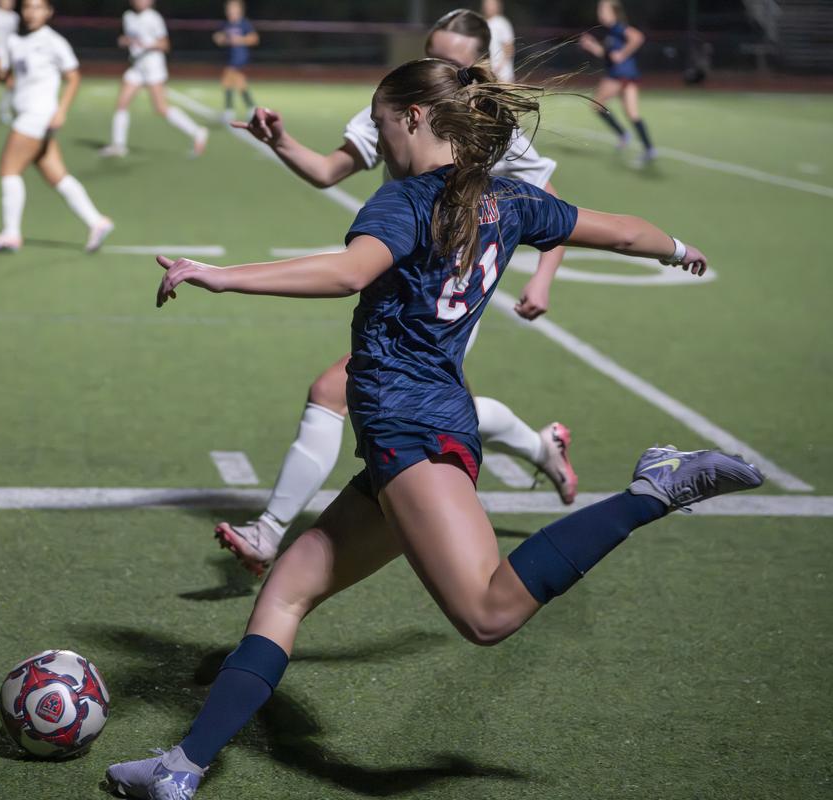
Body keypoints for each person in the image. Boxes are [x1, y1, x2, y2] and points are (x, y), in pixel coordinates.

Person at [104, 56, 764, 799]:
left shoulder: (405, 203)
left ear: (414, 117)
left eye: (382, 123)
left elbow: (349, 273)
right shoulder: (508, 199)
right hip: (418, 426)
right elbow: (616, 231)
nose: (378, 140)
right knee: (287, 590)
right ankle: (181, 768)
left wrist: (220, 274)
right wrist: (675, 248)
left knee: (485, 614)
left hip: (410, 428)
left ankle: (654, 489)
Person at [217, 9, 574, 577]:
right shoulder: (402, 101)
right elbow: (330, 169)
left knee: (334, 388)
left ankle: (269, 534)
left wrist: (542, 277)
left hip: (445, 295)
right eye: (432, 55)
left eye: (454, 62)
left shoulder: (483, 123)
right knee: (442, 409)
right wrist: (281, 141)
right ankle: (539, 446)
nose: (440, 70)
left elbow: (552, 209)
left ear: (477, 67)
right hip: (404, 285)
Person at [0, 0, 114, 254]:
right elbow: (9, 80)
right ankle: (97, 222)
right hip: (28, 114)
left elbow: (74, 77)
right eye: (28, 7)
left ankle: (11, 234)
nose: (32, 12)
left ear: (49, 11)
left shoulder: (54, 41)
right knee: (57, 176)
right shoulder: (15, 41)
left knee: (8, 169)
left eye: (38, 7)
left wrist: (61, 110)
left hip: (37, 116)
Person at [100, 0, 209, 158]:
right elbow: (129, 39)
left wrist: (146, 45)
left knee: (161, 108)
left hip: (153, 66)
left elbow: (165, 45)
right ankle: (118, 146)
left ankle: (198, 132)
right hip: (137, 66)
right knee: (121, 103)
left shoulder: (154, 18)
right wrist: (125, 41)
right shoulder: (128, 16)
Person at [579, 0, 656, 162]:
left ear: (613, 12)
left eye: (603, 10)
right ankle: (649, 149)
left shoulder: (618, 27)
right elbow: (607, 55)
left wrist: (623, 54)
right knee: (632, 114)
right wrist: (592, 46)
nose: (600, 14)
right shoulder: (610, 33)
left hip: (619, 74)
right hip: (628, 75)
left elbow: (637, 37)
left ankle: (623, 134)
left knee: (597, 104)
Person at [213, 0, 260, 123]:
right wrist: (219, 38)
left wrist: (240, 39)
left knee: (226, 81)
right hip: (230, 58)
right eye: (228, 9)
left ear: (240, 10)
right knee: (240, 83)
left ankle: (229, 112)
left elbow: (254, 39)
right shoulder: (227, 24)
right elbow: (221, 38)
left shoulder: (244, 24)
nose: (230, 12)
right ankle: (252, 109)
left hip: (240, 58)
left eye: (233, 9)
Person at [482, 0, 516, 82]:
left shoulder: (502, 23)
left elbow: (509, 48)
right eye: (487, 5)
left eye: (492, 5)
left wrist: (499, 67)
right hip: (487, 72)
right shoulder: (483, 22)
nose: (489, 7)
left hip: (502, 72)